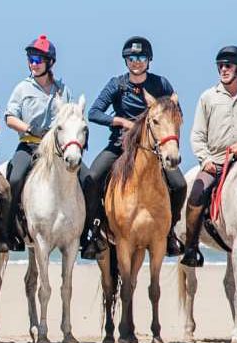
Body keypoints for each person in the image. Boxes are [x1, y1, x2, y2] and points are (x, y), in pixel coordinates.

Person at [84, 36, 188, 258]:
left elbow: (176, 114)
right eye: (132, 58)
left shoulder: (161, 84)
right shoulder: (117, 84)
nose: (136, 62)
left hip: (153, 150)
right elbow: (93, 112)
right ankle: (94, 229)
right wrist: (121, 121)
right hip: (121, 145)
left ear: (149, 60)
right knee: (92, 178)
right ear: (126, 61)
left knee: (179, 185)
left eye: (141, 57)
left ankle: (169, 231)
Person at [180, 45, 237, 268]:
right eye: (220, 65)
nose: (223, 69)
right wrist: (205, 159)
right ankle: (191, 248)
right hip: (217, 162)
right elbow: (197, 135)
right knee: (196, 196)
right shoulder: (208, 97)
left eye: (228, 65)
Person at [1, 35, 73, 254]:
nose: (33, 63)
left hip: (57, 150)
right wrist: (29, 128)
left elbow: (70, 117)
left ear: (49, 62)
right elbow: (9, 117)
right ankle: (8, 232)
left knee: (86, 179)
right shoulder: (22, 88)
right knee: (14, 180)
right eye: (31, 59)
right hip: (30, 145)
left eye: (38, 59)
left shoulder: (63, 90)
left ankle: (88, 233)